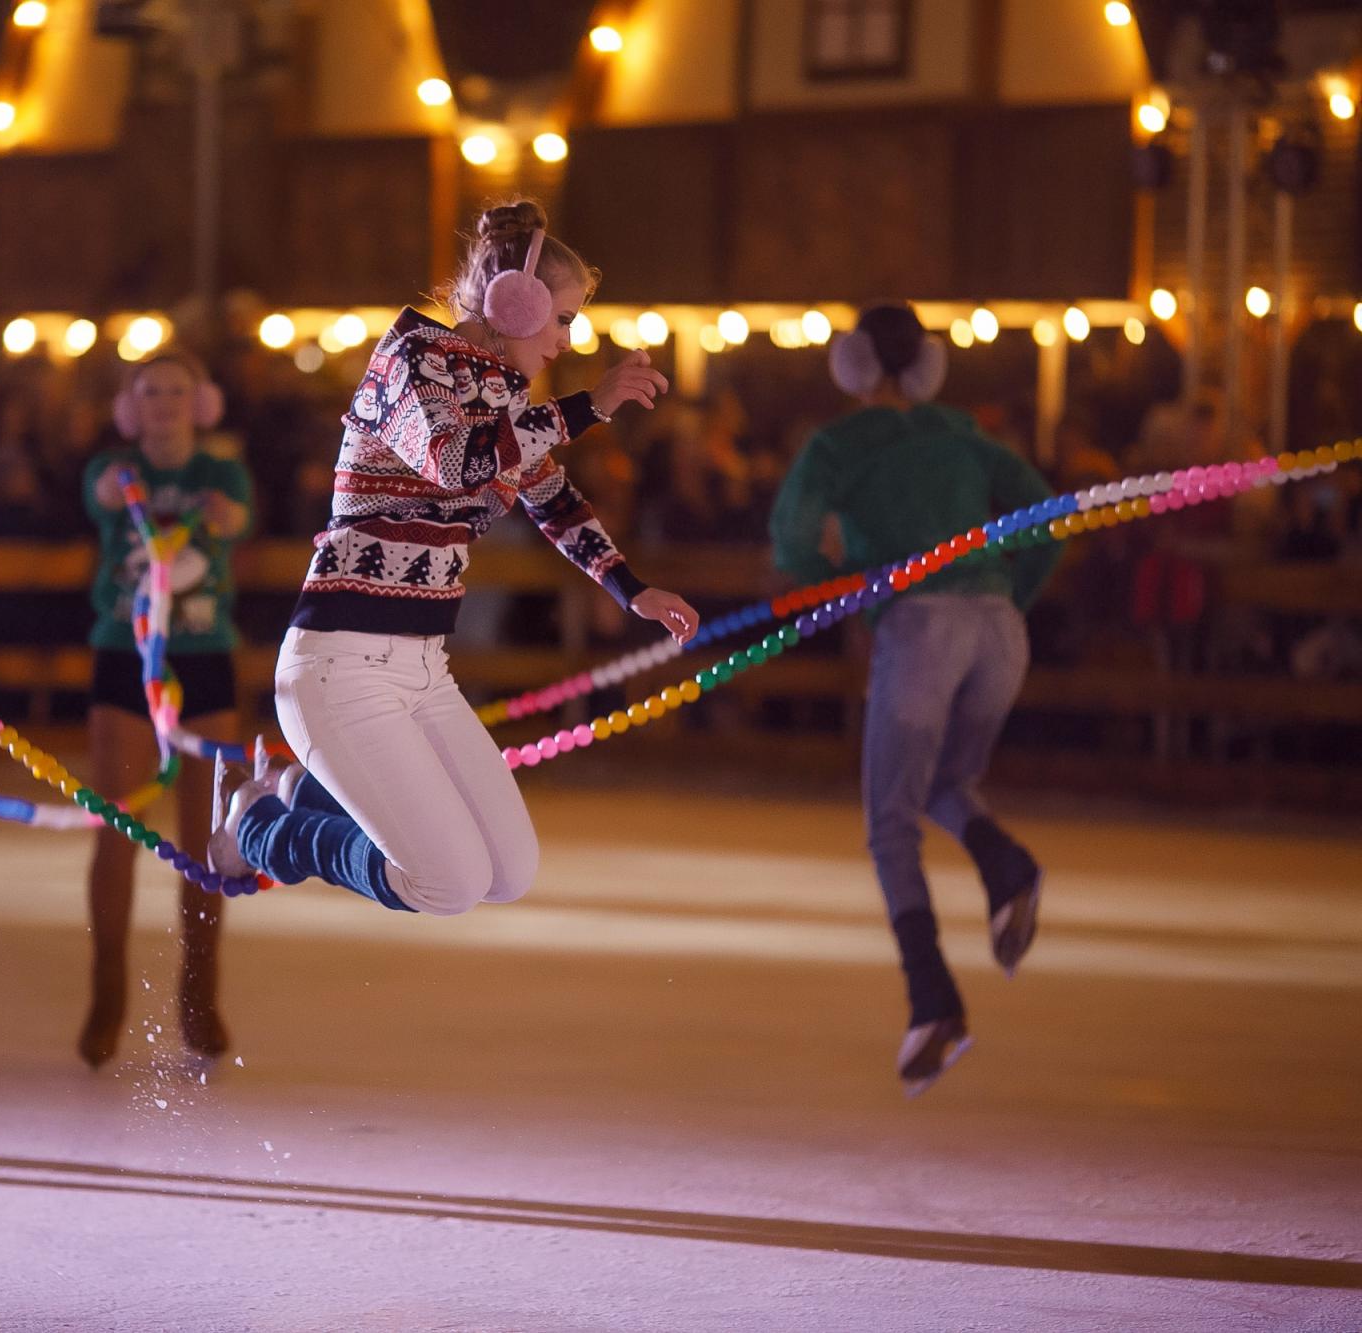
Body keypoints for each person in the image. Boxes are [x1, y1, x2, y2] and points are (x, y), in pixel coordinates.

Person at [208, 200, 698, 917]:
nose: (567, 339)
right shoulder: (414, 359)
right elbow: (456, 463)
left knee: (509, 873)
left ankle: (299, 792)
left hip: (423, 667)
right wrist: (587, 407)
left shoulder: (504, 394)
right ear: (517, 301)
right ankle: (259, 829)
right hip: (340, 665)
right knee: (449, 884)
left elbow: (551, 496)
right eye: (563, 318)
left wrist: (632, 588)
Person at [768, 302, 1059, 1096]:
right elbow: (1048, 520)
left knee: (888, 821)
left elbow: (791, 538)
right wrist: (1004, 597)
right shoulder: (965, 437)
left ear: (852, 363)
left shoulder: (838, 444)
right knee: (943, 785)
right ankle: (1007, 867)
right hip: (999, 629)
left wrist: (839, 596)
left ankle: (933, 1001)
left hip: (921, 628)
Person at [78, 351, 251, 1066]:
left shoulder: (220, 473)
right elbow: (107, 494)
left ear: (200, 400)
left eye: (179, 391)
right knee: (118, 827)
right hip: (126, 655)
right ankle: (107, 986)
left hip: (204, 656)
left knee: (206, 842)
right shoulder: (115, 470)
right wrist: (127, 492)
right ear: (130, 404)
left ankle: (198, 990)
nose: (165, 405)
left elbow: (238, 515)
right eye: (151, 393)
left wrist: (223, 512)